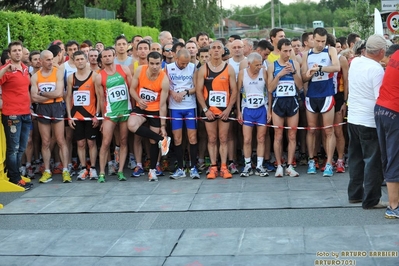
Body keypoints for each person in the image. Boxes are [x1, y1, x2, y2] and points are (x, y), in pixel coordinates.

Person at [347, 34, 387, 209]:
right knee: (372, 161)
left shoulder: (355, 62)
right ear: (380, 51)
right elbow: (380, 97)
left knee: (355, 158)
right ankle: (371, 199)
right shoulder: (376, 69)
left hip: (353, 117)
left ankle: (355, 194)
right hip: (368, 120)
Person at [301, 27, 340, 177]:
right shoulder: (306, 54)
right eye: (317, 41)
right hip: (312, 94)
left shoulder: (330, 50)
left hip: (327, 94)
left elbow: (336, 67)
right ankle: (312, 159)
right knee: (311, 130)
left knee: (328, 130)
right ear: (312, 39)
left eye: (323, 41)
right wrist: (310, 73)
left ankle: (329, 162)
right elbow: (303, 78)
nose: (320, 44)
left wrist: (321, 68)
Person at [196, 40, 238, 179]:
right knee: (212, 138)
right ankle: (214, 167)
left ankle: (224, 167)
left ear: (222, 51)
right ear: (209, 51)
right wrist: (205, 109)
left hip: (224, 110)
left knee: (223, 138)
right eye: (213, 48)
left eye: (218, 48)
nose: (215, 50)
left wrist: (229, 109)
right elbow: (198, 91)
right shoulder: (203, 69)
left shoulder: (229, 68)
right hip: (209, 110)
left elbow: (234, 90)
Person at [127, 51, 171, 182]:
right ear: (147, 62)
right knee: (131, 125)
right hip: (141, 107)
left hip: (156, 110)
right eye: (152, 63)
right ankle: (161, 139)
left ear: (161, 63)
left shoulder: (164, 79)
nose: (155, 66)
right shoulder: (140, 70)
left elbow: (163, 105)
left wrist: (163, 126)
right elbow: (132, 89)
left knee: (152, 141)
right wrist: (138, 100)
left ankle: (152, 170)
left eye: (157, 64)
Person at [30, 50, 72, 183]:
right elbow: (33, 97)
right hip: (43, 108)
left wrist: (41, 94)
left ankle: (65, 170)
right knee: (46, 141)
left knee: (60, 140)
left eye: (51, 59)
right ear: (40, 61)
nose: (50, 62)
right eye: (47, 60)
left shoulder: (58, 72)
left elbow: (59, 93)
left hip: (57, 107)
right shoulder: (35, 77)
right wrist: (49, 95)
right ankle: (47, 171)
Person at [94, 47, 132, 183]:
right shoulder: (99, 77)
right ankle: (102, 173)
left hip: (126, 110)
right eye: (105, 56)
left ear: (113, 56)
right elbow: (101, 98)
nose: (107, 58)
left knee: (123, 141)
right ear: (102, 59)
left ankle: (121, 171)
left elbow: (132, 89)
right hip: (111, 113)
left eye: (109, 55)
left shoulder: (125, 70)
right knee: (105, 142)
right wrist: (102, 117)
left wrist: (135, 109)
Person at [0, 41, 33, 190]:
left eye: (20, 50)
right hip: (12, 114)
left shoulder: (25, 69)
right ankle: (13, 178)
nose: (18, 53)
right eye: (14, 51)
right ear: (10, 54)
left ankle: (17, 175)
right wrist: (6, 68)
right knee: (13, 148)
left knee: (21, 148)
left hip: (25, 113)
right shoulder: (6, 70)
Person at [268, 39, 303, 177]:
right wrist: (279, 75)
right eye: (285, 51)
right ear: (279, 50)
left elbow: (300, 86)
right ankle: (279, 165)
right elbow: (270, 88)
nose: (288, 53)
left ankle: (290, 165)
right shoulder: (272, 66)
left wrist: (294, 72)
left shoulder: (295, 64)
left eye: (290, 51)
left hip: (292, 102)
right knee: (278, 135)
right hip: (278, 103)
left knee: (292, 135)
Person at [165, 49, 200, 179]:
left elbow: (197, 87)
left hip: (190, 106)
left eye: (186, 63)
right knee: (177, 138)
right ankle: (180, 168)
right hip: (175, 108)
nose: (184, 65)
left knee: (192, 138)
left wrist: (185, 92)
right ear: (176, 58)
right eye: (182, 63)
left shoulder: (193, 67)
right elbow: (165, 85)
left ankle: (193, 167)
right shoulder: (168, 68)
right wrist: (173, 93)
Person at [65, 51, 100, 180]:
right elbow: (68, 97)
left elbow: (99, 97)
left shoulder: (94, 76)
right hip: (76, 116)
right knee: (80, 143)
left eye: (81, 59)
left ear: (86, 60)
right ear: (74, 61)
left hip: (90, 115)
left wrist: (97, 114)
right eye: (77, 59)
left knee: (91, 143)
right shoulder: (71, 78)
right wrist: (69, 116)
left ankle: (93, 168)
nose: (80, 61)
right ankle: (84, 168)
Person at [236, 52, 270, 177]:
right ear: (249, 64)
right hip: (247, 110)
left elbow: (269, 90)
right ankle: (248, 165)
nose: (259, 67)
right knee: (247, 139)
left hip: (261, 109)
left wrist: (269, 110)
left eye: (260, 64)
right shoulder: (242, 73)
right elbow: (237, 93)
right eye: (256, 65)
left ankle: (260, 165)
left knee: (261, 138)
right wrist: (239, 111)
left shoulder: (263, 72)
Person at [375, 48, 399, 218]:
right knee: (395, 158)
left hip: (381, 108)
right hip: (394, 111)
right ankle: (393, 206)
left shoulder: (396, 54)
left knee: (388, 157)